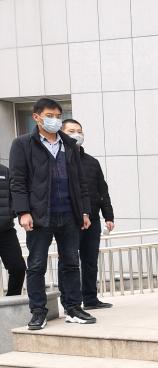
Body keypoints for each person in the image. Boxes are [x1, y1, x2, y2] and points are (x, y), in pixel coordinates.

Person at [9, 97, 95, 330]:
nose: (54, 120)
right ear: (36, 117)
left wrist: (84, 211)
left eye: (58, 116)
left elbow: (80, 182)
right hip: (39, 216)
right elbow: (17, 181)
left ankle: (73, 308)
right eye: (49, 116)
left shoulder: (69, 144)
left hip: (69, 214)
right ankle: (38, 312)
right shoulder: (23, 144)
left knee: (71, 263)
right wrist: (23, 212)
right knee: (36, 265)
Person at [59, 118, 115, 309]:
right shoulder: (58, 161)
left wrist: (108, 216)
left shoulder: (92, 162)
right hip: (70, 219)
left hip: (92, 218)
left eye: (79, 131)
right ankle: (68, 301)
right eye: (71, 131)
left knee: (90, 261)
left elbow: (103, 191)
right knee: (68, 261)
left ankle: (90, 298)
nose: (77, 135)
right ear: (61, 134)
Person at [0, 163, 26, 296]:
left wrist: (11, 213)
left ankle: (10, 302)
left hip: (6, 231)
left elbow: (15, 196)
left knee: (18, 268)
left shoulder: (5, 171)